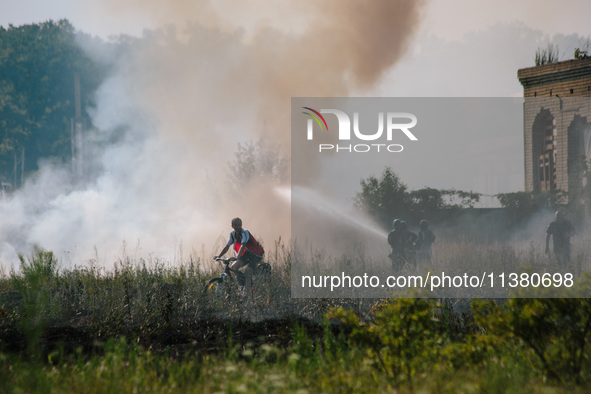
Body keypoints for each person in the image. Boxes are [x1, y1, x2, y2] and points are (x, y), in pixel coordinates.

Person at [215, 217, 265, 298]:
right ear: (232, 226)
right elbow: (227, 246)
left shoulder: (245, 232)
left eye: (239, 225)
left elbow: (243, 245)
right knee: (234, 267)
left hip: (256, 253)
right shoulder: (232, 234)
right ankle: (243, 284)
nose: (237, 227)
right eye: (235, 225)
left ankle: (247, 295)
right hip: (247, 254)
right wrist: (218, 256)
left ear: (241, 225)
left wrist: (237, 257)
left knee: (248, 271)